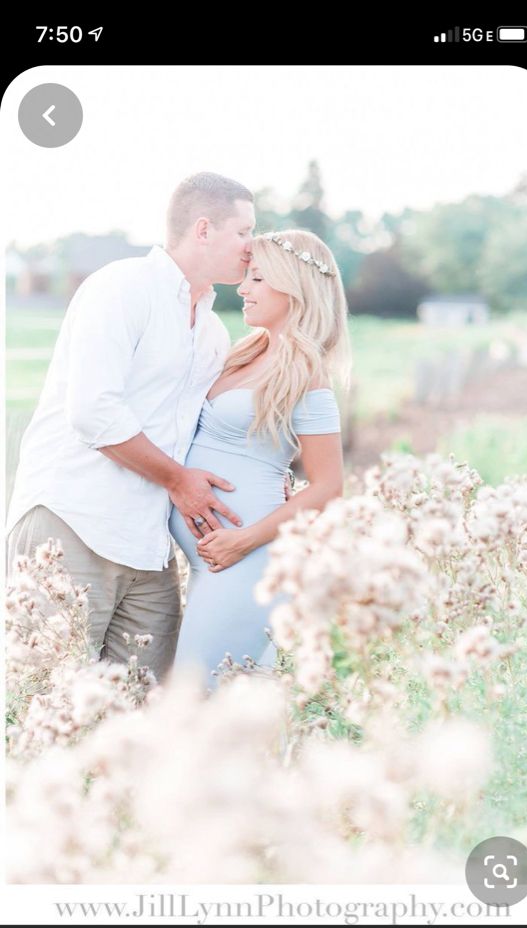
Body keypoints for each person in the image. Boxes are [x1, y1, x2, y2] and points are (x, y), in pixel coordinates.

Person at [6, 172, 257, 679]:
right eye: (244, 232)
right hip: (72, 522)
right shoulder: (121, 288)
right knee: (44, 703)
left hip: (148, 547)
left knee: (137, 720)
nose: (252, 248)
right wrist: (177, 481)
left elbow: (206, 432)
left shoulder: (212, 330)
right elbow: (93, 411)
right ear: (203, 229)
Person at [170, 228, 350, 686]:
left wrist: (245, 539)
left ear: (295, 287)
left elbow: (330, 486)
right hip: (213, 560)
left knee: (195, 698)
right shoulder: (244, 353)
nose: (243, 289)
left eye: (257, 279)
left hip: (247, 559)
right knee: (213, 701)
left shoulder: (309, 374)